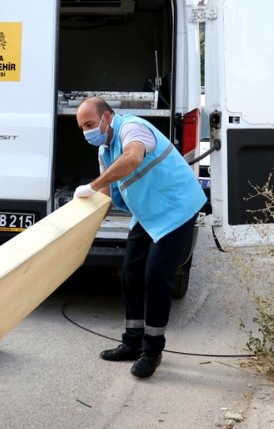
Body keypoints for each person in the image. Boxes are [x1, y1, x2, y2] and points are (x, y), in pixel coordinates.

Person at [74, 96, 206, 379]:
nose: (86, 132)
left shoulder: (132, 128)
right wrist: (77, 219)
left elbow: (133, 158)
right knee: (131, 273)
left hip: (176, 208)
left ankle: (152, 350)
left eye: (89, 124)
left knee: (156, 276)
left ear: (107, 117)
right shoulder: (105, 151)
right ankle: (132, 342)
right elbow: (107, 193)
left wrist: (94, 184)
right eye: (82, 127)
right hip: (148, 214)